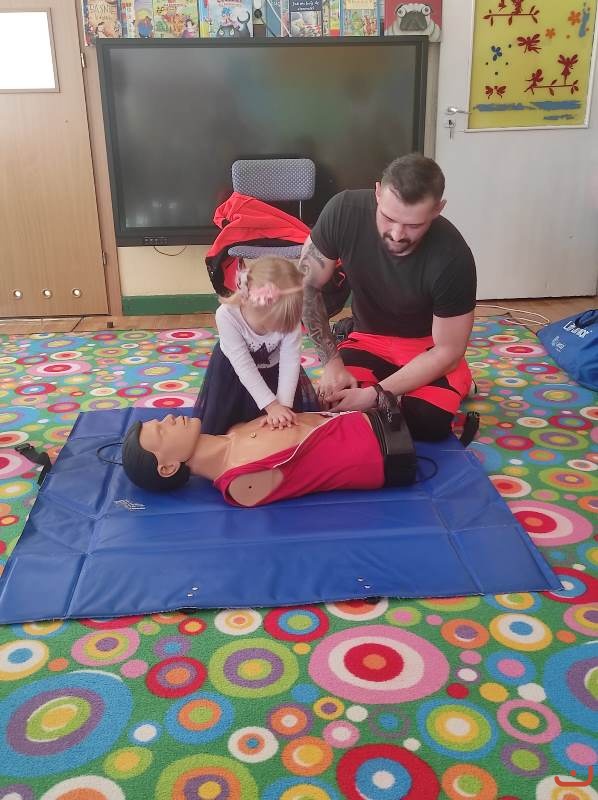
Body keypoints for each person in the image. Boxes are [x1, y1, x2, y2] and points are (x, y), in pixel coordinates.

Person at [301, 152, 477, 441]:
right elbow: (306, 286)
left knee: (427, 422)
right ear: (377, 193)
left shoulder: (453, 257)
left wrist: (375, 394)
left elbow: (448, 351)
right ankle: (410, 386)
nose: (396, 234)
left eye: (413, 225)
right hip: (368, 340)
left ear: (438, 209)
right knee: (336, 404)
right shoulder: (343, 211)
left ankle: (458, 381)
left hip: (427, 349)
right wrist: (331, 362)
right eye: (388, 218)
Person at [120, 401, 416, 507]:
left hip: (372, 414)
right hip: (388, 449)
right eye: (162, 431)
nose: (169, 418)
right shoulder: (241, 483)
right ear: (168, 467)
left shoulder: (234, 431)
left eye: (160, 420)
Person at [193, 256, 319, 434]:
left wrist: (283, 407)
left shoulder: (289, 316)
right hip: (233, 374)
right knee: (224, 424)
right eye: (277, 325)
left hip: (274, 372)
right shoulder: (226, 316)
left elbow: (290, 362)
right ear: (257, 309)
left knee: (280, 425)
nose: (283, 329)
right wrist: (271, 405)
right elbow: (244, 366)